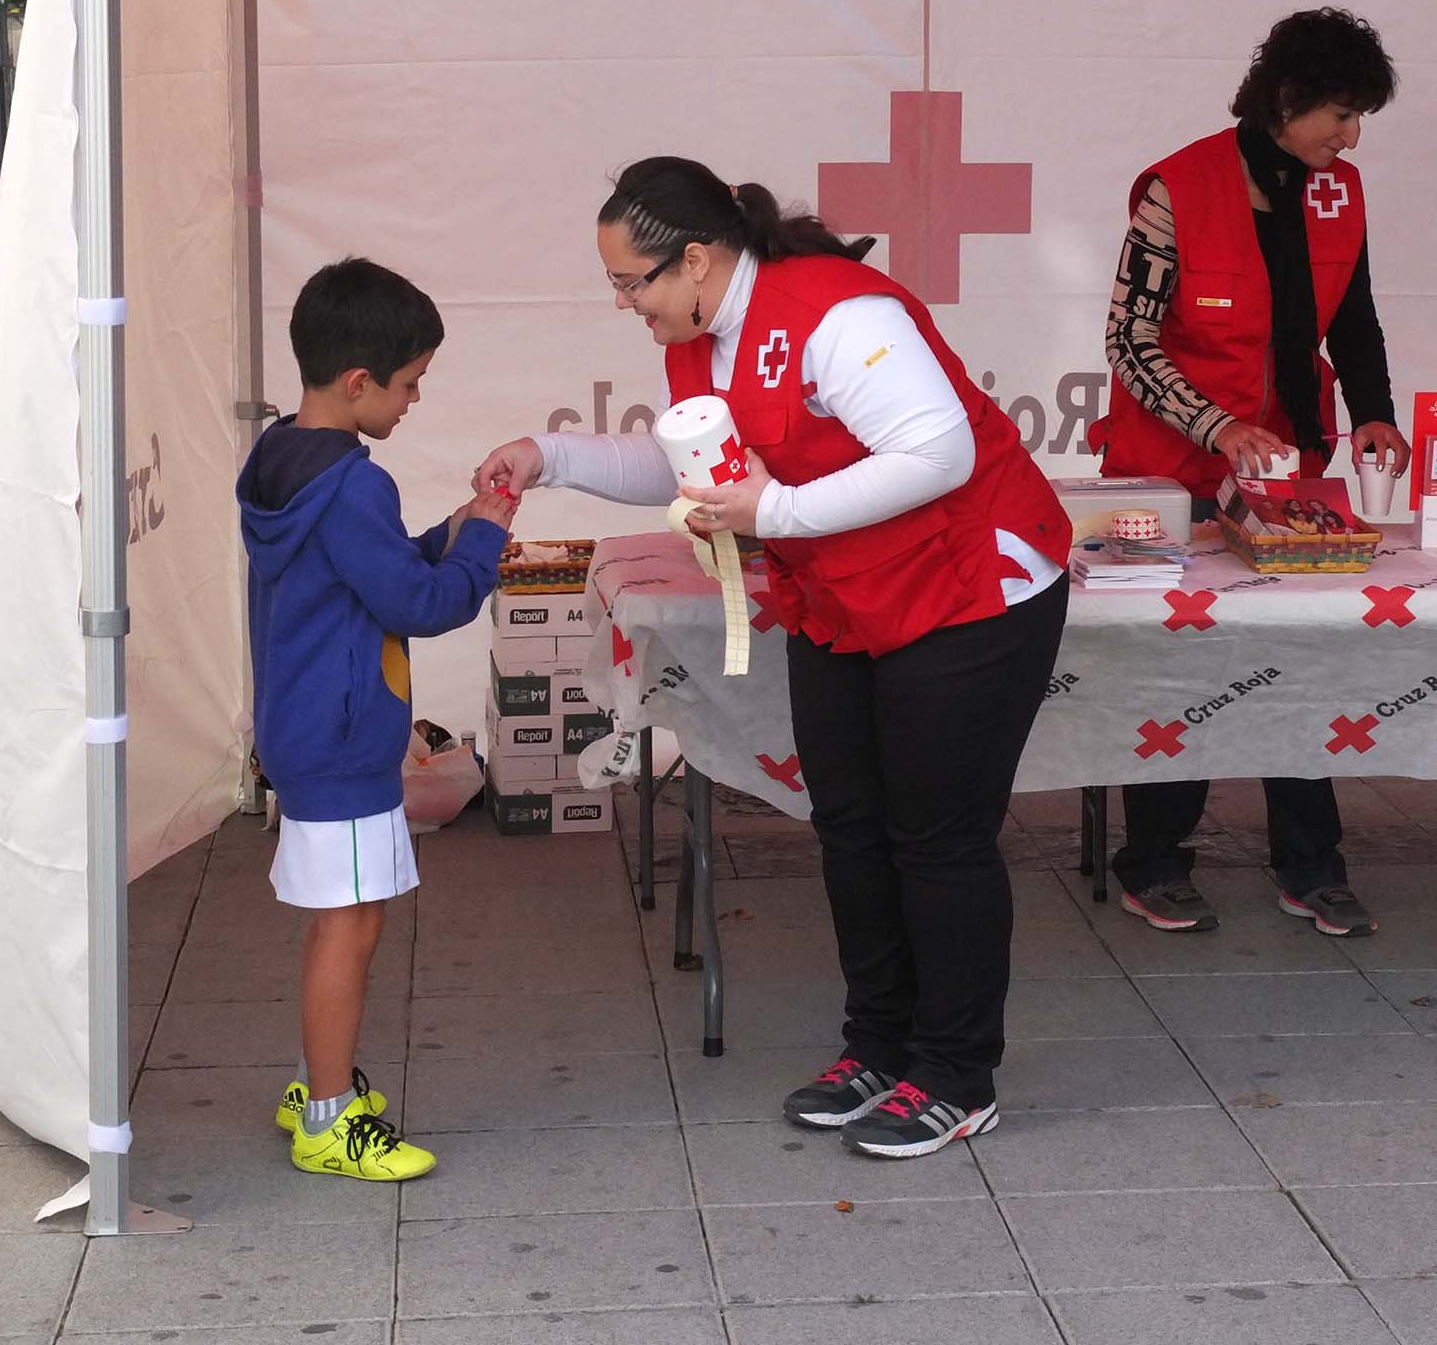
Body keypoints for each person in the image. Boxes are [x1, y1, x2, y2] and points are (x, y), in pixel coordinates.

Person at [474, 157, 1071, 1158]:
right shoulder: (707, 332)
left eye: (633, 282)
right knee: (846, 826)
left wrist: (775, 511)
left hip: (969, 587)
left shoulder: (838, 314)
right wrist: (550, 455)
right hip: (848, 595)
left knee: (936, 839)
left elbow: (938, 455)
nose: (623, 303)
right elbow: (682, 466)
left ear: (698, 260)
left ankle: (956, 1072)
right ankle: (877, 1047)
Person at [1088, 7, 1410, 939]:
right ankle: (1152, 861)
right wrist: (1216, 423)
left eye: (1358, 122)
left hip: (1286, 471)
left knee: (1300, 659)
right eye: (1340, 116)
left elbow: (1354, 319)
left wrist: (1375, 409)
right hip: (1169, 474)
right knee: (1180, 667)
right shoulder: (1175, 189)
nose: (1348, 139)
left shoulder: (1338, 191)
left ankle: (1312, 867)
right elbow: (1130, 340)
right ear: (1285, 98)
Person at [237, 257, 515, 1181]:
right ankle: (326, 1117)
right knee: (350, 925)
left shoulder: (285, 456)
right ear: (359, 383)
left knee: (342, 919)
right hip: (346, 740)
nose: (416, 400)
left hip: (307, 727)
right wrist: (483, 539)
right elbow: (420, 603)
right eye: (409, 384)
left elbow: (372, 569)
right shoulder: (355, 483)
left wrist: (458, 525)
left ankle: (319, 1081)